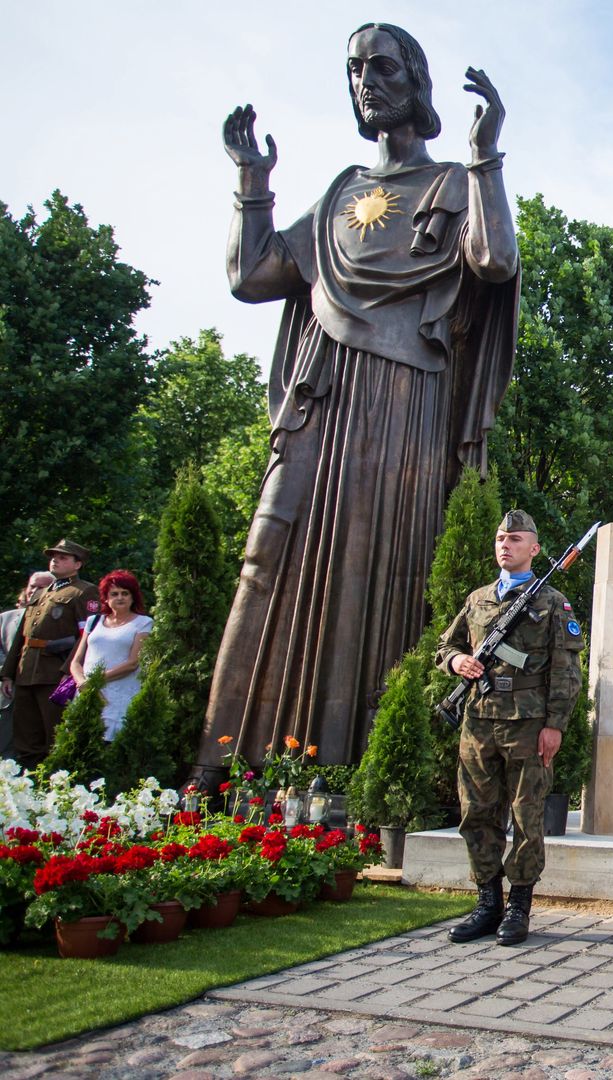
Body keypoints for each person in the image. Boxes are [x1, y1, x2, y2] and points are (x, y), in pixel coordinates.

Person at [202, 22, 520, 769]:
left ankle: (366, 762)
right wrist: (253, 181)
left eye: (380, 66)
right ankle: (225, 760)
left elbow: (494, 258)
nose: (364, 81)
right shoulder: (344, 191)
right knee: (270, 552)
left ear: (414, 81)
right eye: (354, 70)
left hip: (407, 397)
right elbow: (254, 277)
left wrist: (485, 157)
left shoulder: (450, 182)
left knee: (382, 568)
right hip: (325, 394)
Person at [436, 510, 584, 947]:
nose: (506, 544)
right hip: (478, 721)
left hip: (527, 723)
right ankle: (487, 902)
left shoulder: (552, 602)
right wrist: (456, 661)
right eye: (501, 537)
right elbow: (447, 645)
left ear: (534, 549)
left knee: (526, 815)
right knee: (476, 813)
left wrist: (554, 725)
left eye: (516, 539)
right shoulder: (479, 599)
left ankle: (519, 905)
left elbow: (566, 670)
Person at [1, 541, 99, 768]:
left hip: (55, 674)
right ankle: (29, 784)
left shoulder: (84, 592)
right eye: (54, 556)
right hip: (26, 672)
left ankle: (53, 784)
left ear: (78, 564)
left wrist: (69, 671)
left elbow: (87, 636)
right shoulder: (43, 592)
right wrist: (8, 674)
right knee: (25, 735)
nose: (55, 559)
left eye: (64, 557)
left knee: (54, 735)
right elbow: (21, 636)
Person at [68, 571, 154, 740]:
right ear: (106, 598)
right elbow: (76, 661)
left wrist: (95, 681)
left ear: (133, 597)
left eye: (125, 593)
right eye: (114, 594)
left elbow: (132, 663)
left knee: (110, 742)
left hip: (119, 693)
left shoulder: (143, 623)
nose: (120, 598)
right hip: (86, 692)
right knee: (80, 740)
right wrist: (82, 682)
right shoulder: (93, 621)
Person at [1, 573, 53, 759]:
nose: (34, 591)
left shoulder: (56, 619)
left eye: (41, 587)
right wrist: (6, 675)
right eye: (32, 586)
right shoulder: (5, 618)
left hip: (40, 684)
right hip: (7, 690)